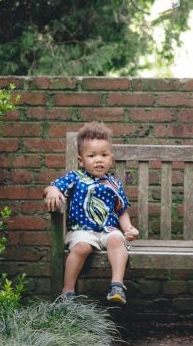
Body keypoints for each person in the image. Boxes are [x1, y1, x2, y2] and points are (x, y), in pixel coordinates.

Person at [44, 121, 140, 304]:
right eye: (92, 155)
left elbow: (121, 210)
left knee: (117, 240)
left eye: (104, 155)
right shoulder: (75, 177)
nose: (99, 159)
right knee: (81, 247)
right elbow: (52, 187)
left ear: (111, 159)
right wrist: (53, 191)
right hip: (82, 230)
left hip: (108, 229)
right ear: (81, 160)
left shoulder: (114, 184)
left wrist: (128, 228)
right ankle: (68, 290)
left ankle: (117, 285)